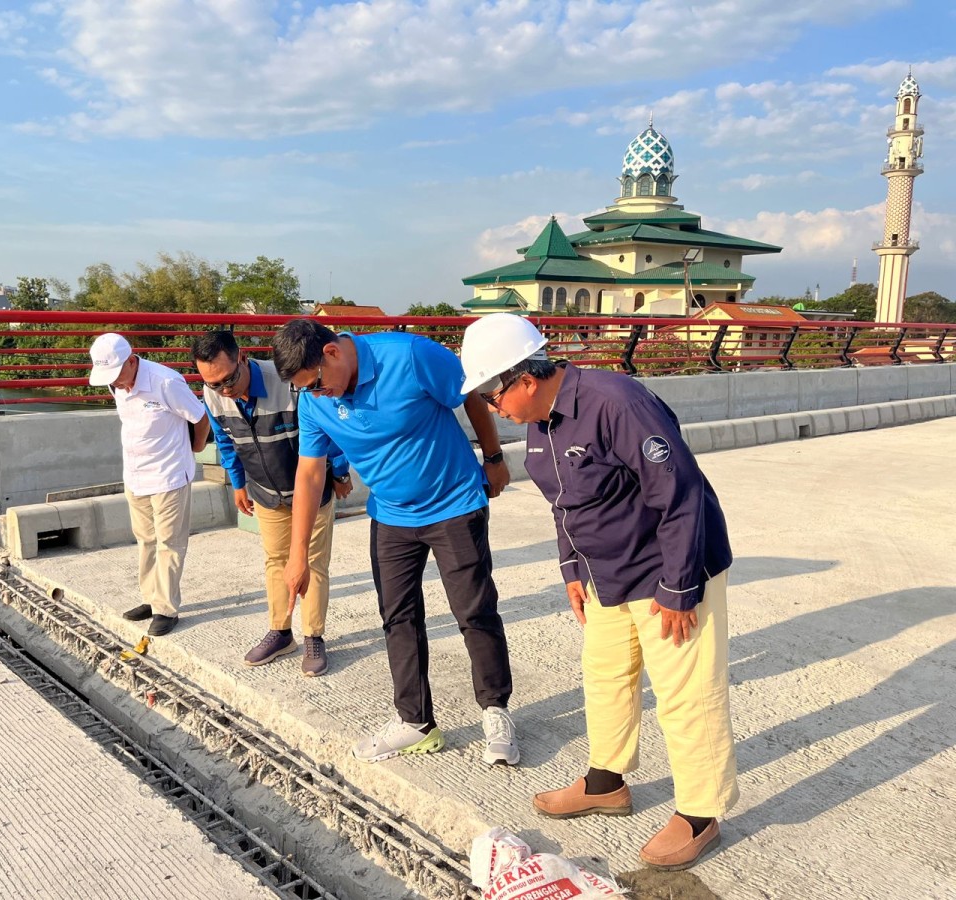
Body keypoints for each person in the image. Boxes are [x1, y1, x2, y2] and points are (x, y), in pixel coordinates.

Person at [458, 313, 738, 871]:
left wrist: (680, 587)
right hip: (607, 575)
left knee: (686, 692)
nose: (492, 410)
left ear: (524, 380)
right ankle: (607, 782)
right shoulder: (539, 424)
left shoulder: (618, 403)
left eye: (491, 397)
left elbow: (678, 495)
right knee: (606, 678)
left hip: (667, 569)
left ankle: (701, 815)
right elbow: (564, 504)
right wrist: (571, 568)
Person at [271, 319, 519, 766]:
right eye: (306, 390)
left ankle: (496, 709)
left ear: (331, 353)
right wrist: (297, 557)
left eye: (317, 385)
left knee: (474, 611)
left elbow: (473, 398)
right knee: (397, 618)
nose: (316, 395)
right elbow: (309, 474)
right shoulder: (312, 400)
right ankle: (415, 722)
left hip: (454, 504)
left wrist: (495, 458)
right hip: (391, 516)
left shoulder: (410, 356)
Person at [192, 329, 353, 676]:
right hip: (266, 493)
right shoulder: (214, 393)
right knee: (275, 561)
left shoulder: (287, 382)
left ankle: (313, 636)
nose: (224, 389)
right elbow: (224, 440)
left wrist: (339, 472)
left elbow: (328, 428)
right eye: (214, 384)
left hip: (310, 490)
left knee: (312, 563)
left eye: (228, 378)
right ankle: (281, 632)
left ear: (243, 358)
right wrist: (238, 484)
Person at [88, 332, 210, 638]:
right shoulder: (115, 385)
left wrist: (194, 450)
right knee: (146, 540)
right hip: (136, 475)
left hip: (169, 475)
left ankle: (166, 608)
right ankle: (150, 598)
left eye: (116, 374)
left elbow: (200, 416)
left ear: (132, 361)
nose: (114, 382)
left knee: (170, 542)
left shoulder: (165, 382)